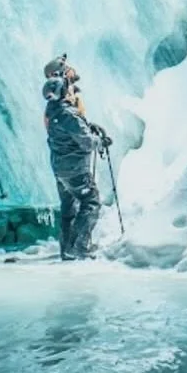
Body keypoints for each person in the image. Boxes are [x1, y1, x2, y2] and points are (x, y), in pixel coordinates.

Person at [42, 57, 111, 260]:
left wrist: (87, 127)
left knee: (68, 206)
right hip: (75, 166)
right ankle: (80, 246)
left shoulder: (53, 109)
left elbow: (71, 128)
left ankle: (67, 249)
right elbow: (85, 141)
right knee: (90, 202)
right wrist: (99, 140)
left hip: (59, 165)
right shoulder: (67, 112)